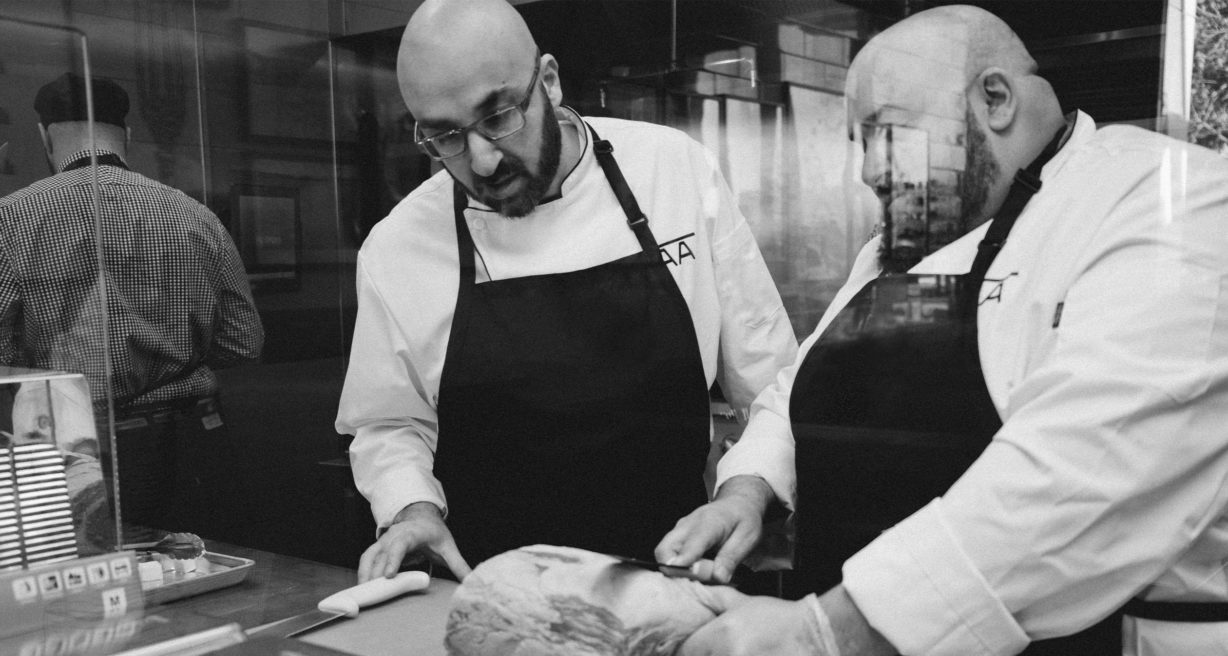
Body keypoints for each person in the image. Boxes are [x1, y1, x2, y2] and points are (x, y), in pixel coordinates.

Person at [666, 5, 1228, 656]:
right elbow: (807, 380)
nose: (869, 171)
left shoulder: (1165, 201)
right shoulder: (898, 250)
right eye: (861, 143)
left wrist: (836, 630)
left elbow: (1088, 472)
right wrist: (747, 490)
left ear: (995, 99)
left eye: (889, 135)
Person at [335, 0, 797, 583]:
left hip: (677, 580)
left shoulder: (673, 171)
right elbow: (389, 423)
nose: (481, 158)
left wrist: (746, 491)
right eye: (445, 137)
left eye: (498, 116)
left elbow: (774, 381)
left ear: (548, 83)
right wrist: (411, 508)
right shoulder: (397, 247)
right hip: (493, 597)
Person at [0, 72, 264, 542]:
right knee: (209, 578)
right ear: (127, 136)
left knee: (95, 596)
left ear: (44, 135)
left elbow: (4, 359)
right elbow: (243, 342)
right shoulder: (194, 214)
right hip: (193, 439)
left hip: (79, 447)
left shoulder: (12, 219)